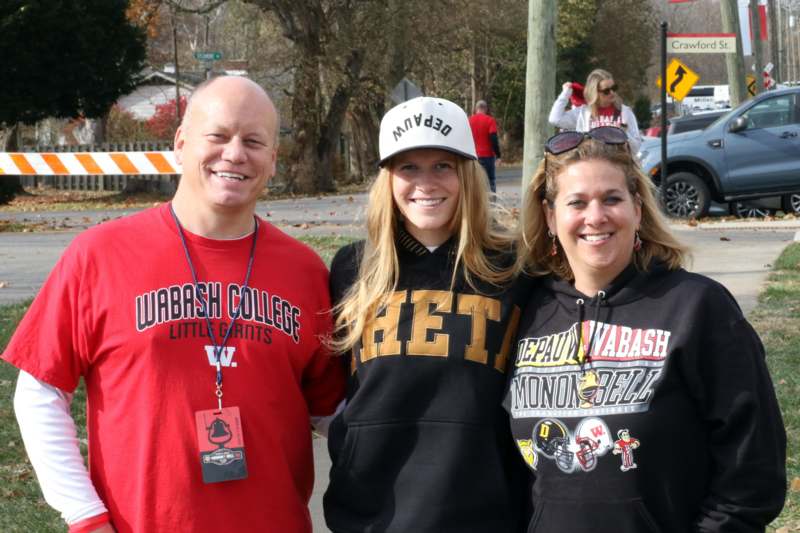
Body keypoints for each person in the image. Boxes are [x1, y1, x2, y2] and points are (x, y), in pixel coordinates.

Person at [2, 76, 345, 533]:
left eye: (254, 141)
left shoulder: (305, 272)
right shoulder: (99, 255)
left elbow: (331, 410)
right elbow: (39, 392)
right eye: (218, 136)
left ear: (273, 160)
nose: (235, 153)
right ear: (181, 143)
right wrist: (84, 515)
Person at [504, 126, 787, 532]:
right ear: (551, 216)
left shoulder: (697, 307)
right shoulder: (525, 313)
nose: (596, 217)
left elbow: (753, 468)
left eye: (612, 199)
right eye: (577, 202)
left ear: (638, 209)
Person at [323, 96, 531, 532]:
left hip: (487, 516)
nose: (426, 183)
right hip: (372, 517)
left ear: (468, 175)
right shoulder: (353, 267)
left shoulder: (514, 268)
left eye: (443, 166)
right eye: (409, 168)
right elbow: (338, 393)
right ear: (388, 179)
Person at [549, 69, 642, 153]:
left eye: (614, 88)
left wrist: (622, 133)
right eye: (606, 91)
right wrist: (566, 93)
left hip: (618, 168)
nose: (612, 93)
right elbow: (555, 119)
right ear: (594, 92)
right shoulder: (583, 113)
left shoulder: (624, 112)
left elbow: (636, 147)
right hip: (590, 167)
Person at [468, 99, 502, 193]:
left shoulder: (469, 121)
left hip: (473, 156)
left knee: (474, 181)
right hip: (488, 156)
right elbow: (493, 138)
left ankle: (475, 203)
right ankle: (493, 204)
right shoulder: (490, 120)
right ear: (486, 109)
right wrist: (498, 155)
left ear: (476, 109)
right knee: (491, 180)